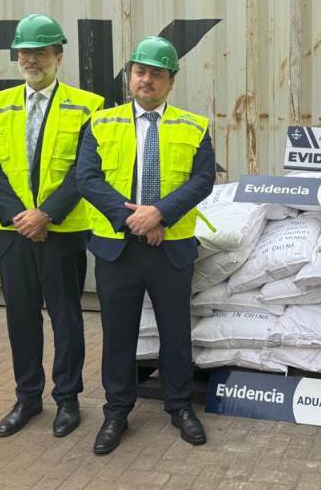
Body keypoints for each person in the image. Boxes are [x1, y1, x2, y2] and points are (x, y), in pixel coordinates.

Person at [76, 36, 215, 455]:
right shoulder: (101, 123)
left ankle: (179, 406)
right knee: (119, 334)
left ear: (171, 81)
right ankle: (116, 411)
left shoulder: (194, 126)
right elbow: (87, 178)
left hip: (171, 247)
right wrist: (135, 220)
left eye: (157, 73)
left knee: (176, 332)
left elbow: (202, 180)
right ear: (130, 76)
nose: (147, 79)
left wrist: (160, 214)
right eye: (140, 71)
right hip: (117, 248)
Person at [0, 13, 104, 439]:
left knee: (66, 318)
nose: (31, 60)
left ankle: (67, 398)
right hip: (12, 233)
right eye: (25, 53)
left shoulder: (87, 105)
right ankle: (27, 398)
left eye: (41, 53)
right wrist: (21, 217)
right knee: (21, 318)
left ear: (58, 57)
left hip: (61, 232)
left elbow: (85, 170)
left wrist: (46, 214)